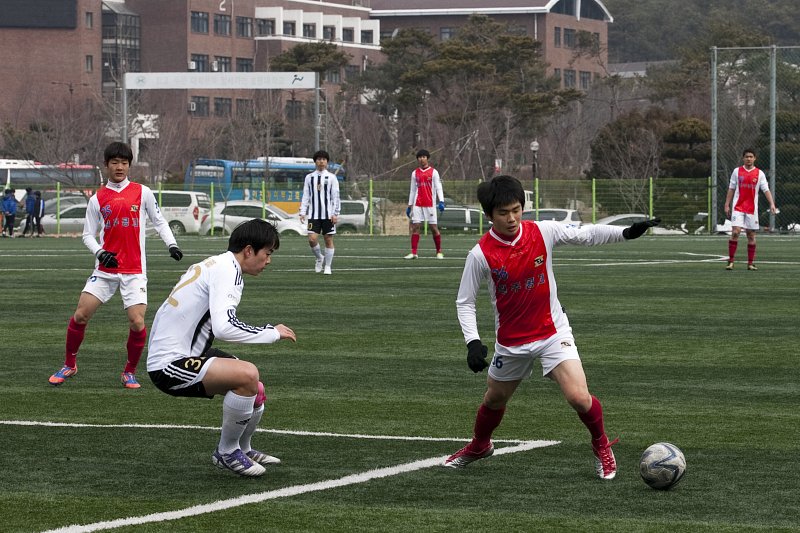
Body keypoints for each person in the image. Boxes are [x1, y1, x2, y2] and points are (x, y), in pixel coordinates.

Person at [443, 175, 659, 480]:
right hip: (512, 342)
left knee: (578, 397)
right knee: (493, 400)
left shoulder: (543, 231)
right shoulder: (480, 254)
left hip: (552, 331)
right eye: (503, 213)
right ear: (489, 215)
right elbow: (464, 301)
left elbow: (586, 234)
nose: (512, 218)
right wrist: (472, 342)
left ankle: (601, 445)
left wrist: (625, 233)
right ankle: (480, 445)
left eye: (516, 209)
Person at [147, 219, 297, 477]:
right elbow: (224, 328)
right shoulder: (227, 270)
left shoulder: (219, 264)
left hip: (190, 353)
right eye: (267, 253)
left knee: (255, 388)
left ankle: (243, 448)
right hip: (169, 364)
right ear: (249, 250)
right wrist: (271, 333)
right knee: (247, 375)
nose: (268, 261)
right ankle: (226, 452)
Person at [48, 142, 183, 388]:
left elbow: (160, 222)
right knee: (80, 315)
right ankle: (69, 364)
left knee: (137, 321)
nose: (119, 167)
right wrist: (100, 253)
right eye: (114, 162)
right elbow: (88, 235)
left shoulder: (143, 192)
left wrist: (171, 245)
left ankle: (129, 372)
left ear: (129, 165)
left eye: (124, 162)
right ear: (107, 165)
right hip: (105, 270)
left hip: (134, 271)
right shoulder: (97, 198)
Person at [723, 148, 777, 271]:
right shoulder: (737, 172)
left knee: (751, 235)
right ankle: (730, 261)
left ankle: (750, 263)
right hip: (738, 207)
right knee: (735, 232)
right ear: (743, 158)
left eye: (751, 156)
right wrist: (727, 204)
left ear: (754, 158)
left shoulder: (759, 173)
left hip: (752, 209)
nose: (749, 159)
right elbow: (731, 188)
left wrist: (772, 204)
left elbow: (766, 190)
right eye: (746, 156)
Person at [299, 150, 340, 275]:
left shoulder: (332, 177)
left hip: (328, 214)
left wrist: (335, 213)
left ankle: (327, 266)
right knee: (312, 239)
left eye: (324, 159)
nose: (321, 161)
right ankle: (319, 258)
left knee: (328, 239)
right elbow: (306, 195)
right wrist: (302, 211)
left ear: (327, 162)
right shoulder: (309, 177)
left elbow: (336, 197)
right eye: (319, 159)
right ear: (315, 161)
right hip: (313, 214)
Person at [404, 149, 445, 259]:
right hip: (418, 203)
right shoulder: (415, 173)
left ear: (427, 158)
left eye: (424, 157)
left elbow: (438, 187)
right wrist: (409, 205)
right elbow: (412, 190)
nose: (422, 159)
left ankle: (439, 251)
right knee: (415, 226)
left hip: (430, 204)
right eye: (420, 157)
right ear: (418, 159)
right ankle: (414, 252)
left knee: (433, 228)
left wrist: (441, 201)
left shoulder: (434, 172)